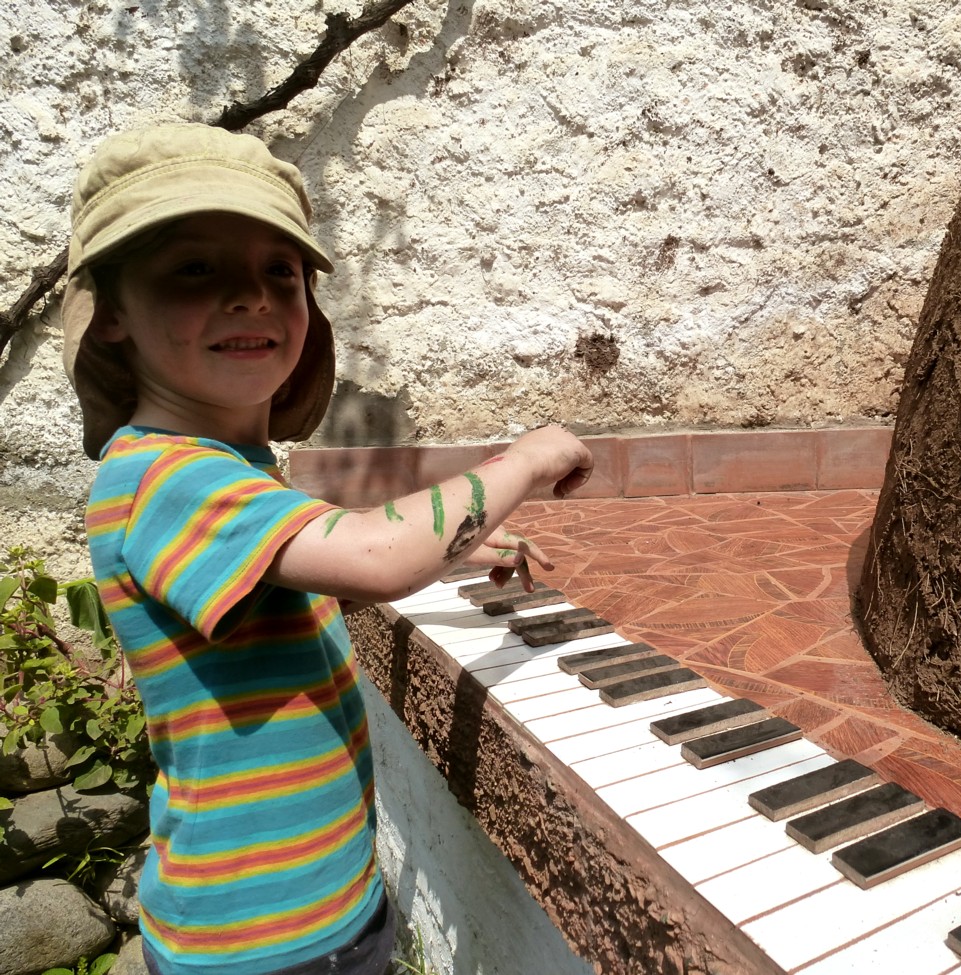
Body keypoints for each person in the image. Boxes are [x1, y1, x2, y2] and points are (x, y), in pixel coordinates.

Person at [60, 122, 593, 975]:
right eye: (194, 268)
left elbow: (301, 566)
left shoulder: (218, 468)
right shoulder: (164, 477)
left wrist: (454, 546)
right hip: (263, 944)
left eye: (282, 270)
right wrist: (524, 459)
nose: (252, 296)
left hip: (318, 915)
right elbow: (377, 555)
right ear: (112, 313)